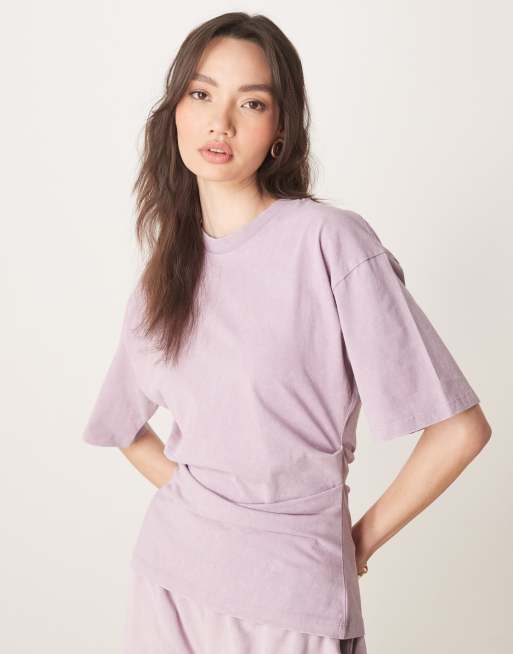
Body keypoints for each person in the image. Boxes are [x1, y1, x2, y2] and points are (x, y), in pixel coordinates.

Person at [82, 12, 492, 654]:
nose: (220, 122)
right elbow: (121, 427)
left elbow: (459, 431)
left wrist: (356, 543)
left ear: (280, 130)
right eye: (201, 93)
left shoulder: (330, 243)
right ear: (176, 113)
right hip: (168, 585)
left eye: (252, 102)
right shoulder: (164, 275)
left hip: (294, 602)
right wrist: (214, 510)